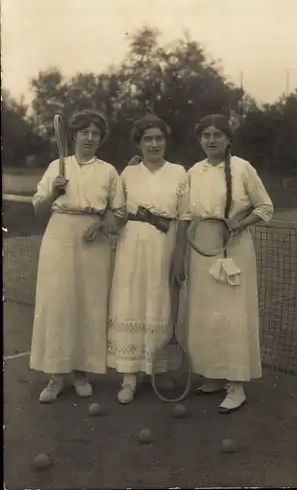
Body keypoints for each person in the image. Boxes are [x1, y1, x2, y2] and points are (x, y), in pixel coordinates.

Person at [30, 110, 125, 403]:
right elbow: (38, 210)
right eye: (85, 132)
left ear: (100, 138)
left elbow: (118, 212)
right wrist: (52, 193)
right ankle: (55, 376)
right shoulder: (55, 168)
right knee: (57, 304)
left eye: (95, 133)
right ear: (74, 136)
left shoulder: (109, 172)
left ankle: (82, 373)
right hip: (59, 237)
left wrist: (99, 225)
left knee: (89, 305)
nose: (90, 137)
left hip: (92, 241)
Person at [185, 114, 274, 413]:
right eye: (206, 135)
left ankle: (236, 386)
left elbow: (265, 208)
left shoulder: (242, 168)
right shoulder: (193, 172)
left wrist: (238, 223)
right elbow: (185, 212)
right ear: (200, 140)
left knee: (232, 315)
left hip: (234, 250)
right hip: (201, 251)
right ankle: (213, 375)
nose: (211, 140)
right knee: (206, 315)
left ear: (228, 139)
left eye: (217, 135)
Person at [107, 114, 189, 404]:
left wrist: (179, 255)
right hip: (132, 247)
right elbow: (116, 213)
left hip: (165, 247)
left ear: (165, 141)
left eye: (159, 138)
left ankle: (160, 370)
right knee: (131, 302)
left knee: (162, 304)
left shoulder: (180, 172)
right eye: (147, 139)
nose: (154, 144)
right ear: (139, 144)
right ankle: (129, 376)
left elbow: (184, 218)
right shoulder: (127, 174)